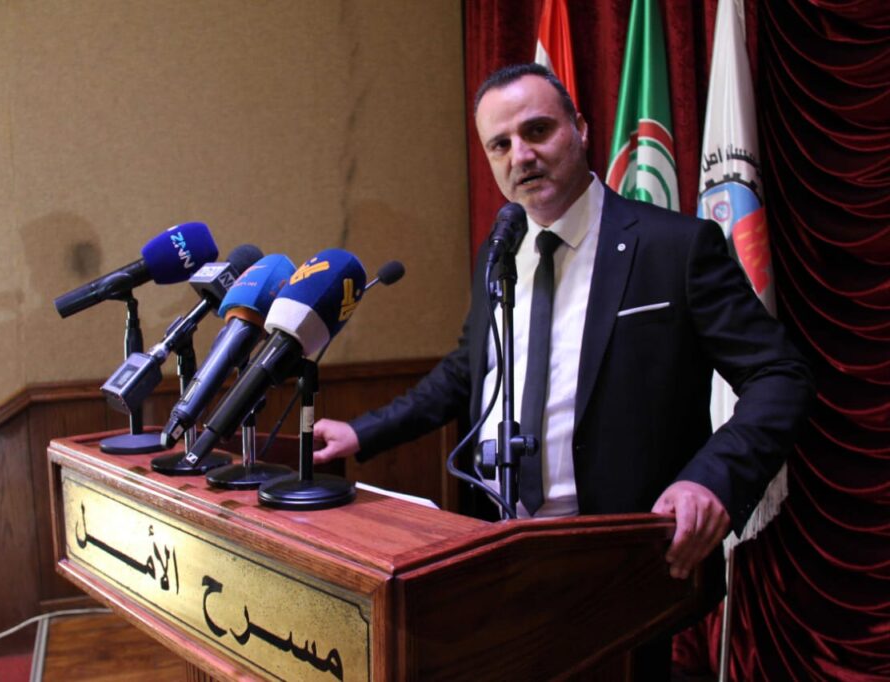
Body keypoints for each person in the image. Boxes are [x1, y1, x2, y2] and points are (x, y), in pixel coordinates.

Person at [314, 63, 812, 583]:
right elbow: (469, 370)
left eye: (537, 130)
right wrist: (361, 432)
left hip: (630, 556)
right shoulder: (499, 252)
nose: (521, 156)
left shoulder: (676, 247)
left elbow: (780, 375)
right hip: (499, 548)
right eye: (500, 145)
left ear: (580, 128)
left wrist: (710, 481)